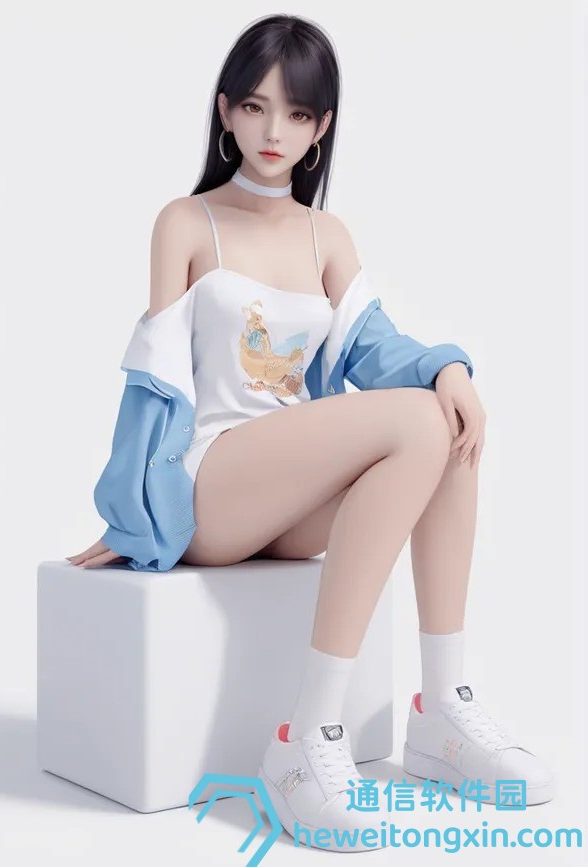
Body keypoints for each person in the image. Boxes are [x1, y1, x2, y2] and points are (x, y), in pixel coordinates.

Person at [66, 12, 554, 852]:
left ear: (321, 127)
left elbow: (374, 346)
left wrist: (448, 368)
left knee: (446, 424)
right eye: (256, 108)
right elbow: (154, 377)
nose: (273, 132)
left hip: (290, 500)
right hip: (214, 485)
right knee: (417, 415)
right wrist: (129, 514)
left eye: (296, 114)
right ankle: (306, 738)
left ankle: (442, 708)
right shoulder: (187, 222)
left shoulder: (327, 236)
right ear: (226, 111)